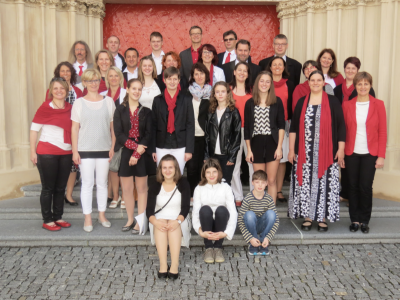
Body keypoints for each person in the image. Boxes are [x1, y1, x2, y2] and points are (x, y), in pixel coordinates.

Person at [288, 70, 345, 232]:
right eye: (312, 80)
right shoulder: (301, 102)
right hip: (304, 152)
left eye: (318, 80)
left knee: (324, 184)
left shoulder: (333, 102)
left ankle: (321, 218)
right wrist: (291, 150)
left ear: (323, 82)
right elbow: (293, 129)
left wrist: (341, 149)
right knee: (305, 184)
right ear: (308, 82)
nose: (315, 83)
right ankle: (307, 217)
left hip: (327, 153)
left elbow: (341, 126)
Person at [71, 69, 116, 232]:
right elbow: (74, 129)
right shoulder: (79, 103)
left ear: (100, 82)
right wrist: (75, 151)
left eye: (96, 80)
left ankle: (102, 214)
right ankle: (88, 217)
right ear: (84, 83)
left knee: (103, 184)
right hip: (85, 150)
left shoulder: (109, 101)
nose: (93, 83)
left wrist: (112, 147)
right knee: (87, 184)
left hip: (104, 149)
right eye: (90, 81)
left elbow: (113, 128)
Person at [343, 72, 387, 234]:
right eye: (359, 84)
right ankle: (354, 219)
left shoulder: (378, 104)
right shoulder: (347, 105)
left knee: (365, 187)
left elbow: (382, 132)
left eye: (366, 84)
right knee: (352, 186)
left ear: (370, 86)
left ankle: (365, 220)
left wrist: (381, 155)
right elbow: (343, 131)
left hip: (371, 153)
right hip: (351, 152)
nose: (363, 87)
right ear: (355, 86)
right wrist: (341, 153)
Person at [30, 78, 73, 231]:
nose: (59, 91)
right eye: (55, 88)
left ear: (67, 91)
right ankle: (47, 219)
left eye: (62, 88)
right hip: (47, 152)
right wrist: (32, 151)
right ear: (50, 91)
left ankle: (58, 217)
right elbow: (34, 130)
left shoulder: (71, 108)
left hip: (67, 152)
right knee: (48, 187)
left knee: (61, 187)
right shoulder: (45, 108)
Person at [333, 57, 375, 203]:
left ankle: (355, 196)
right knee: (344, 163)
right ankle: (345, 192)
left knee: (359, 172)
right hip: (341, 127)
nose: (350, 70)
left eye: (353, 68)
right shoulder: (338, 88)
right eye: (348, 68)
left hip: (359, 131)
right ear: (344, 69)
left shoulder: (365, 88)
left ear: (357, 71)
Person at [114, 79, 153, 235]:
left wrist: (137, 153)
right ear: (128, 90)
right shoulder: (120, 110)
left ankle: (140, 221)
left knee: (142, 189)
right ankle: (130, 219)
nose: (137, 91)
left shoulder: (146, 111)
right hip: (125, 151)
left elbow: (148, 135)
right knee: (128, 189)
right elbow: (119, 134)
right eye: (134, 88)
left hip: (142, 153)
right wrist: (134, 149)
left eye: (139, 89)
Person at [146, 154, 191, 279]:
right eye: (164, 168)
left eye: (170, 167)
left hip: (179, 217)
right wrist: (155, 222)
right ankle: (163, 265)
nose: (167, 171)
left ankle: (175, 265)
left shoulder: (183, 183)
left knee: (173, 227)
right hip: (159, 217)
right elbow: (149, 209)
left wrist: (177, 221)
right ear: (160, 169)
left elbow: (186, 207)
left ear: (176, 168)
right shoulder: (155, 183)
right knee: (161, 225)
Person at [45, 62, 83, 206]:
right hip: (58, 131)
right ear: (58, 73)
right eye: (62, 71)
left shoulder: (78, 91)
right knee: (57, 164)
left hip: (73, 131)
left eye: (68, 71)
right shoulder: (52, 90)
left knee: (73, 165)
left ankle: (69, 195)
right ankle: (57, 194)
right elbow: (48, 110)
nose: (65, 73)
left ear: (72, 74)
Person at [244, 71, 285, 203]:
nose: (264, 84)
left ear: (271, 84)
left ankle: (271, 211)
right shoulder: (250, 103)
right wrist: (249, 150)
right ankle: (259, 209)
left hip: (272, 143)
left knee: (271, 180)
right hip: (256, 143)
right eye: (262, 81)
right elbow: (247, 128)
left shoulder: (277, 102)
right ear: (257, 83)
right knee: (259, 181)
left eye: (268, 81)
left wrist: (279, 148)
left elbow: (281, 126)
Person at [192, 158, 237, 263]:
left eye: (214, 172)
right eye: (208, 172)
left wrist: (226, 233)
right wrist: (200, 231)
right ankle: (208, 247)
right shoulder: (199, 188)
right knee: (205, 209)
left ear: (219, 172)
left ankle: (217, 247)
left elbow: (233, 211)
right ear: (204, 173)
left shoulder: (226, 187)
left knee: (222, 209)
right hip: (205, 222)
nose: (211, 175)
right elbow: (195, 212)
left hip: (221, 222)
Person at [151, 67, 195, 175]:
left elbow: (190, 124)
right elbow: (153, 125)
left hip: (180, 144)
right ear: (164, 80)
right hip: (161, 144)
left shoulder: (186, 99)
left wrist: (189, 149)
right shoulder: (157, 100)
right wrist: (153, 149)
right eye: (169, 79)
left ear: (179, 80)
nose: (172, 82)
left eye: (175, 79)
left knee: (177, 174)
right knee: (163, 175)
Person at [267, 56, 295, 202]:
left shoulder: (289, 84)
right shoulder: (265, 82)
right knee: (268, 157)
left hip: (283, 124)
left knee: (281, 159)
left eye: (280, 65)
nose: (277, 67)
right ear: (270, 67)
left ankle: (278, 190)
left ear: (284, 68)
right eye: (274, 64)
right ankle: (267, 188)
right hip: (266, 123)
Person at [204, 82, 241, 185]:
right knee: (213, 182)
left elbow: (237, 136)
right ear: (214, 94)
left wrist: (232, 156)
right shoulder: (211, 112)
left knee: (225, 183)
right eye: (217, 92)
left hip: (227, 155)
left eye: (223, 91)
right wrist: (206, 155)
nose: (220, 94)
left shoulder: (233, 112)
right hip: (213, 155)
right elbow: (207, 135)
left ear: (228, 93)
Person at [100, 66, 126, 209]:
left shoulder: (126, 93)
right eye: (111, 76)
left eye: (116, 76)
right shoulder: (102, 95)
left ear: (120, 78)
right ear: (107, 78)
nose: (114, 78)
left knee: (122, 166)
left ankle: (123, 194)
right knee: (112, 166)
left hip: (123, 135)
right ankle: (115, 195)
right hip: (107, 135)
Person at [238, 170, 279, 256]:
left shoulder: (268, 198)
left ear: (266, 183)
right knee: (249, 214)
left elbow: (276, 221)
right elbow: (240, 221)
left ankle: (263, 241)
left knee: (272, 214)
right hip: (251, 226)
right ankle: (254, 243)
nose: (260, 185)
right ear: (252, 183)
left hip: (263, 226)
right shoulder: (248, 198)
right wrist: (250, 238)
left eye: (262, 182)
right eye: (257, 182)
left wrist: (268, 238)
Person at [186, 62, 211, 199]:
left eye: (202, 73)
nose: (199, 76)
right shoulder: (187, 92)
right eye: (196, 73)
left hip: (205, 136)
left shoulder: (211, 93)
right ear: (192, 76)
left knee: (205, 166)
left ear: (206, 75)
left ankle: (202, 194)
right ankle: (191, 194)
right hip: (191, 136)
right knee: (191, 168)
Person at [230, 62, 254, 205]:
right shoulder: (228, 90)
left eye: (245, 71)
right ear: (234, 72)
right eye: (239, 70)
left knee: (252, 163)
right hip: (234, 131)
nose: (242, 73)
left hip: (250, 131)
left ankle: (253, 195)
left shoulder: (253, 90)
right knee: (235, 164)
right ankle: (238, 195)